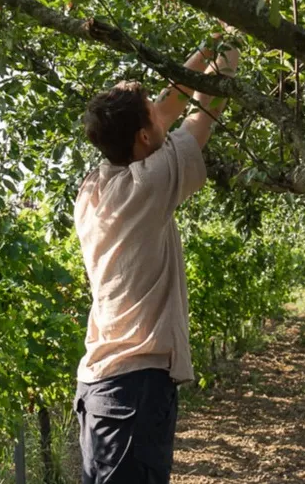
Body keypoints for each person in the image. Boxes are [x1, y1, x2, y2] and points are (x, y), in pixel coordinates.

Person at [71, 32, 240, 484]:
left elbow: (165, 108)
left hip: (102, 385)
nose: (161, 107)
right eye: (150, 113)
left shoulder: (94, 186)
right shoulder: (149, 184)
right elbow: (203, 109)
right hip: (134, 387)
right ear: (144, 137)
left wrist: (205, 44)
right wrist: (230, 48)